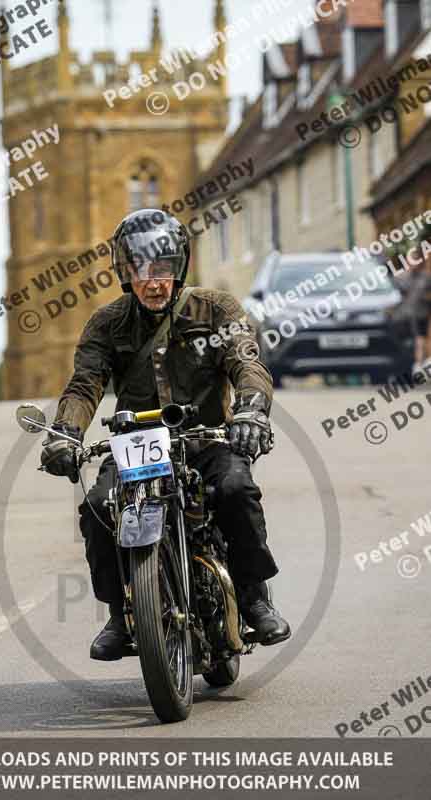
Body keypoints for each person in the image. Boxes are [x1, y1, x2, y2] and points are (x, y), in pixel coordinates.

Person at [41, 209, 291, 660]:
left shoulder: (218, 309)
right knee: (99, 506)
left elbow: (247, 363)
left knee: (236, 489)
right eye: (140, 270)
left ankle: (254, 596)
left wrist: (252, 411)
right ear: (124, 272)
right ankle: (120, 614)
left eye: (162, 269)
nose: (152, 281)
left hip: (209, 439)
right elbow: (84, 385)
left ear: (179, 267)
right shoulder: (106, 323)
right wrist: (64, 434)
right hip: (137, 445)